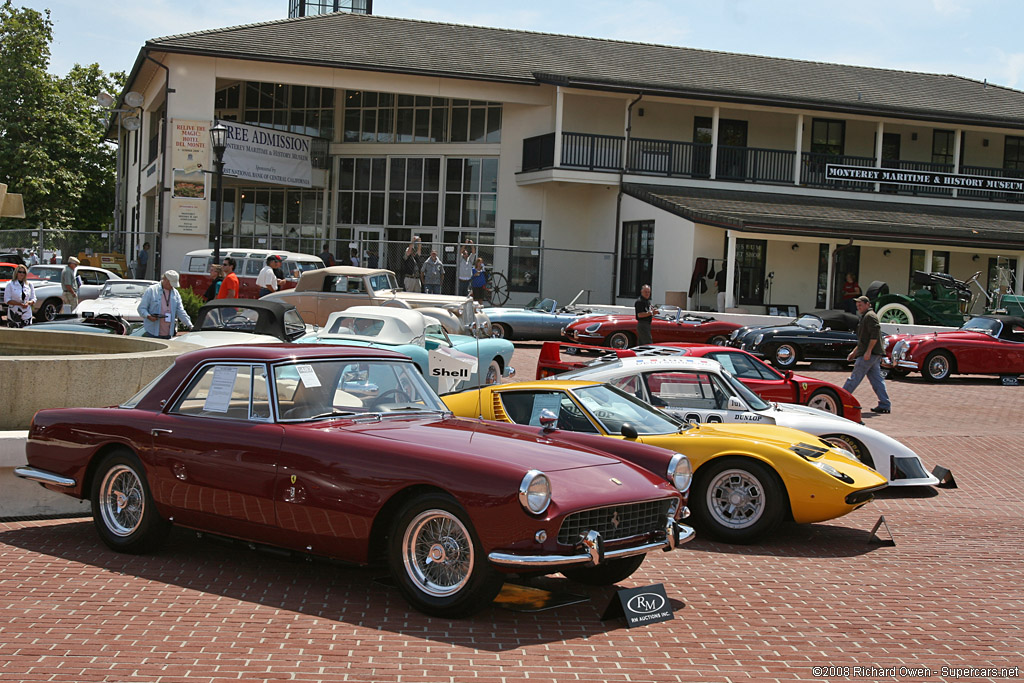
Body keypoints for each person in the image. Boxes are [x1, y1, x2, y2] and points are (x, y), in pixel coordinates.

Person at [843, 295, 891, 414]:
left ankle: (839, 399)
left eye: (861, 305)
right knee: (877, 380)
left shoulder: (870, 316)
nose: (858, 307)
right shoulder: (866, 316)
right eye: (857, 305)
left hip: (869, 354)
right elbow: (864, 339)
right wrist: (854, 352)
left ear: (867, 304)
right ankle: (885, 404)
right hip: (872, 354)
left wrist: (868, 352)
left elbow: (874, 335)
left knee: (854, 378)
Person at [138, 270, 193, 339]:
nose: (173, 286)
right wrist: (149, 316)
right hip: (152, 333)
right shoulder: (152, 290)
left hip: (168, 334)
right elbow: (141, 308)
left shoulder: (175, 293)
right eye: (171, 283)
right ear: (165, 280)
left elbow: (181, 311)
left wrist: (190, 325)